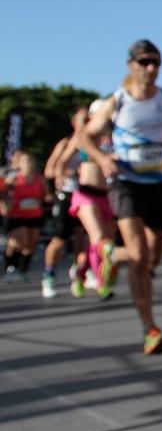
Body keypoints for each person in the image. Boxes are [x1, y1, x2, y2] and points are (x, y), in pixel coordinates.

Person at [78, 39, 162, 354]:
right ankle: (150, 328)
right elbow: (85, 136)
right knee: (139, 254)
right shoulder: (117, 102)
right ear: (130, 65)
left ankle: (110, 254)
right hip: (127, 183)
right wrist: (102, 158)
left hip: (161, 185)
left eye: (156, 62)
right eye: (144, 62)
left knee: (151, 258)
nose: (151, 68)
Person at [61, 98, 116, 299]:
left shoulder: (113, 138)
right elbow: (61, 162)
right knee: (100, 238)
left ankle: (81, 273)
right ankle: (101, 283)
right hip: (85, 193)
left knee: (102, 242)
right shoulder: (82, 138)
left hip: (106, 195)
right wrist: (62, 175)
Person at [42, 108, 88, 297]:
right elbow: (49, 171)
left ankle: (78, 276)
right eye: (83, 120)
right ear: (74, 123)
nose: (87, 123)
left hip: (85, 196)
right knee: (60, 239)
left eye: (89, 119)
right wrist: (69, 172)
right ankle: (49, 276)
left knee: (81, 239)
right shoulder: (66, 143)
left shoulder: (94, 143)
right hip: (66, 196)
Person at [3, 154, 47, 283]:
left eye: (30, 161)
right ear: (19, 164)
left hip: (34, 214)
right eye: (25, 161)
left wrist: (39, 200)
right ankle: (10, 267)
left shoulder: (39, 178)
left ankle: (22, 270)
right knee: (20, 241)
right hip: (17, 214)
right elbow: (3, 193)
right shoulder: (14, 178)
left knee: (30, 245)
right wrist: (8, 201)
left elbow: (46, 194)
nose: (28, 164)